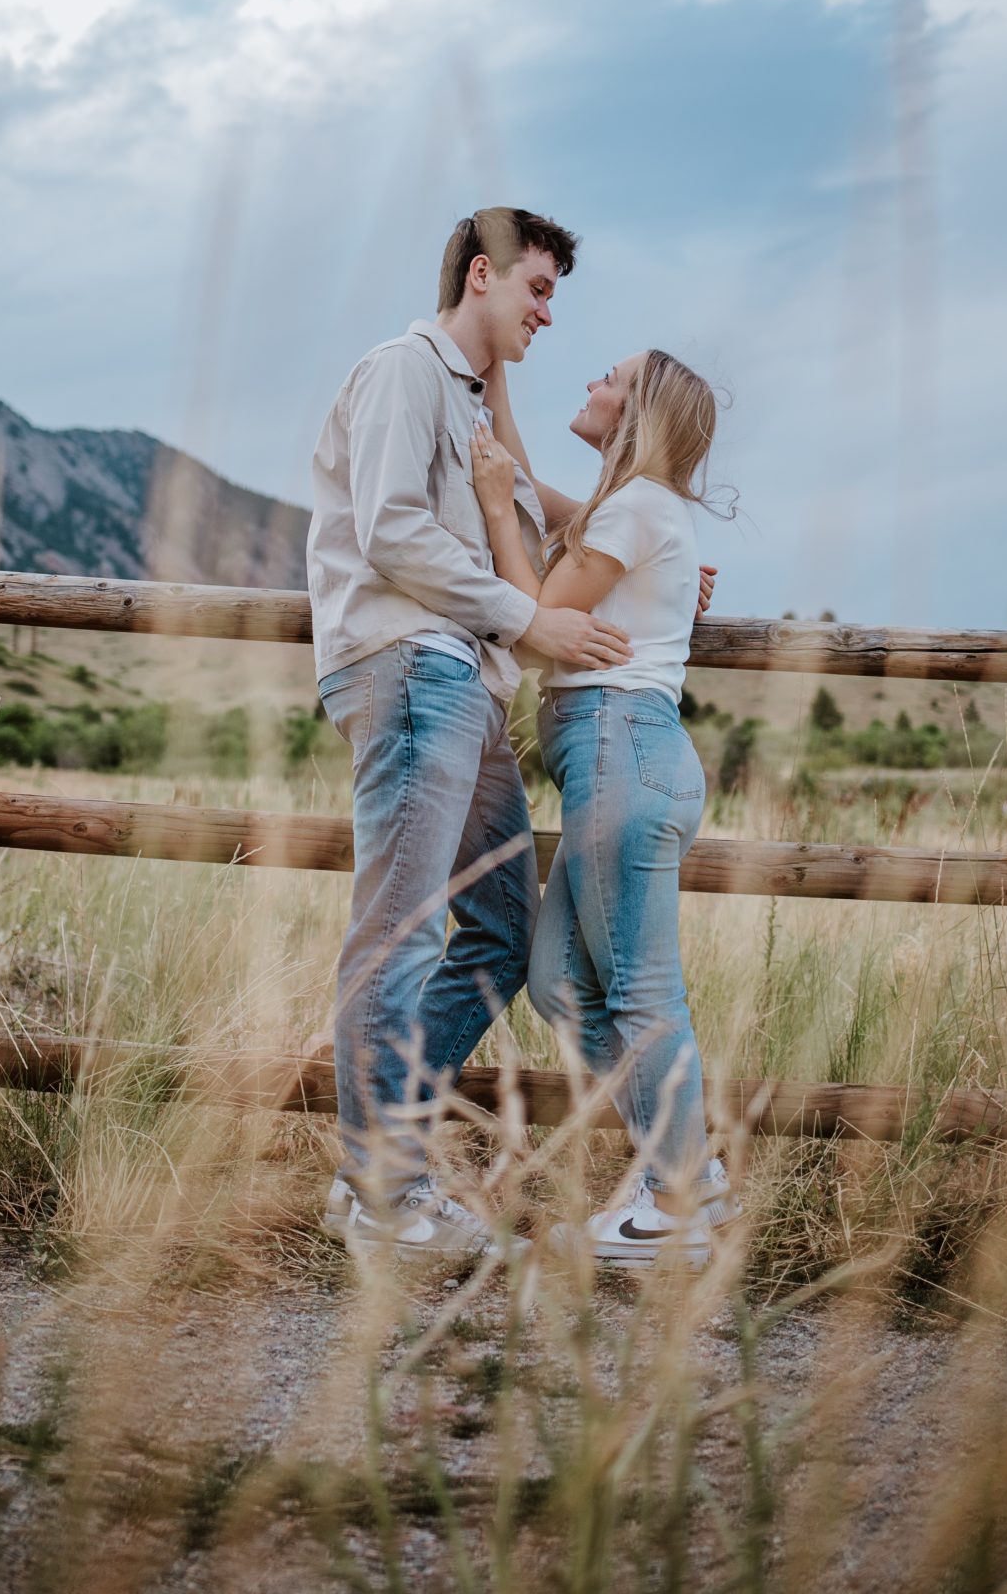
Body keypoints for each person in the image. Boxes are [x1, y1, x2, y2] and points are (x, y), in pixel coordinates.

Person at [307, 207, 637, 1255]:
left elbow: (527, 508)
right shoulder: (405, 370)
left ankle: (382, 1171)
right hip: (413, 667)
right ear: (484, 275)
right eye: (537, 289)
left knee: (498, 929)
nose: (547, 314)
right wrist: (529, 618)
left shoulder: (468, 400)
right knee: (397, 933)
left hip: (467, 686)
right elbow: (393, 527)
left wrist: (629, 538)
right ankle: (384, 1195)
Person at [470, 349, 739, 1266]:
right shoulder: (621, 508)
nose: (590, 379)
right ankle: (687, 1175)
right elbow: (531, 491)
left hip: (622, 746)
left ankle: (676, 1202)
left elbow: (534, 609)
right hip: (608, 755)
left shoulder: (631, 509)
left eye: (609, 376)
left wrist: (500, 505)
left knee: (640, 994)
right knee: (555, 980)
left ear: (640, 412)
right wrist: (497, 377)